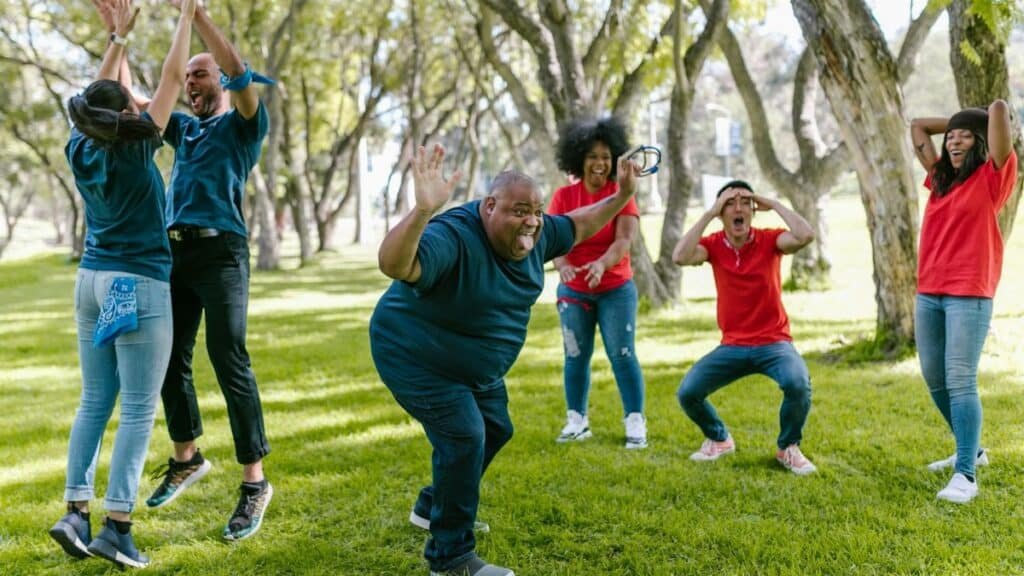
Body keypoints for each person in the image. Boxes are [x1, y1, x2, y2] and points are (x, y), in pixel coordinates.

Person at [370, 144, 639, 576]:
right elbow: (393, 264)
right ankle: (451, 558)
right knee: (464, 435)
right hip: (415, 355)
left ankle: (434, 506)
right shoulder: (455, 236)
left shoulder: (538, 234)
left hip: (473, 365)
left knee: (496, 428)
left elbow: (579, 224)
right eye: (519, 211)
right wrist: (422, 212)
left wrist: (622, 196)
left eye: (535, 210)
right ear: (489, 206)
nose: (531, 220)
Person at [48, 0, 195, 568]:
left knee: (94, 399)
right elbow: (170, 80)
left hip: (91, 281)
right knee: (136, 409)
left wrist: (119, 38)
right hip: (136, 284)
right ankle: (117, 527)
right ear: (126, 118)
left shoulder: (78, 146)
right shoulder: (139, 145)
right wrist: (184, 17)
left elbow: (106, 97)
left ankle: (75, 512)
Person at [145, 0, 274, 541]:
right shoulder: (183, 130)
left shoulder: (244, 125)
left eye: (201, 74)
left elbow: (242, 75)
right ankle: (187, 456)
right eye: (188, 76)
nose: (191, 83)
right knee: (167, 357)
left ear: (218, 78)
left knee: (228, 357)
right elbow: (147, 100)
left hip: (223, 253)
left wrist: (197, 17)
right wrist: (119, 38)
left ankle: (254, 482)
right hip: (176, 253)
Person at [909, 101, 1016, 503]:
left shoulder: (993, 177)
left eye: (964, 136)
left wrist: (982, 118)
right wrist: (958, 120)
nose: (953, 141)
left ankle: (966, 475)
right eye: (950, 136)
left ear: (981, 142)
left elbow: (1000, 110)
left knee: (959, 380)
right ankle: (973, 449)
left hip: (968, 293)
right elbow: (918, 124)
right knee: (934, 377)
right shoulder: (939, 179)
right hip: (929, 292)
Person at [672, 180, 817, 475]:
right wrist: (708, 214)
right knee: (688, 392)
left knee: (797, 383)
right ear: (720, 212)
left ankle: (788, 447)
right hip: (733, 346)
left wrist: (773, 204)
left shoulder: (769, 240)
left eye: (744, 203)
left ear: (753, 210)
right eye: (729, 203)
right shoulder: (713, 246)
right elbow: (680, 256)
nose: (737, 208)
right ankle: (719, 439)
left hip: (774, 343)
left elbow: (805, 235)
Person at [547, 117, 647, 448]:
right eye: (592, 156)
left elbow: (623, 242)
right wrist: (562, 266)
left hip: (615, 288)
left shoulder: (622, 195)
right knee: (575, 355)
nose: (600, 164)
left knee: (622, 353)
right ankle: (577, 420)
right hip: (574, 290)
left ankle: (635, 420)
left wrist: (602, 264)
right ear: (579, 160)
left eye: (606, 156)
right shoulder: (563, 197)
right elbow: (554, 241)